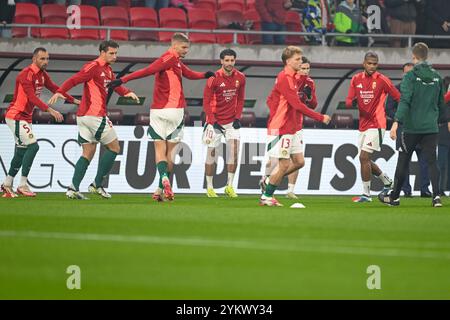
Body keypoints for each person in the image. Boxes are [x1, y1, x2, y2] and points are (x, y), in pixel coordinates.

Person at [109, 33, 214, 202]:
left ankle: (159, 188)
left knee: (159, 150)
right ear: (174, 46)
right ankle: (164, 182)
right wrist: (122, 80)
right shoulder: (169, 59)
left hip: (158, 112)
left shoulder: (176, 61)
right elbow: (147, 70)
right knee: (170, 153)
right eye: (184, 47)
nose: (186, 50)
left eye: (187, 48)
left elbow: (189, 73)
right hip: (175, 111)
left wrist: (204, 75)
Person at [48, 40, 139, 200]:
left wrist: (126, 92)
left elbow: (114, 85)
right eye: (111, 53)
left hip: (84, 117)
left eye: (116, 53)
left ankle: (73, 188)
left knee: (88, 152)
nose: (114, 56)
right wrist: (60, 91)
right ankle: (96, 185)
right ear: (102, 52)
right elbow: (75, 79)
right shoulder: (92, 66)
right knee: (114, 148)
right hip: (94, 115)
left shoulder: (108, 70)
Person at [379, 42, 449, 207]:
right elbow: (441, 104)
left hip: (411, 127)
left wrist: (396, 122)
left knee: (403, 160)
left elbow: (404, 101)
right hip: (431, 128)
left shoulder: (410, 77)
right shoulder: (437, 77)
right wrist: (434, 118)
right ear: (427, 55)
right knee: (432, 161)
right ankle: (436, 197)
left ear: (414, 56)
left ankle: (394, 197)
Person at [260, 46, 330, 207]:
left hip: (293, 127)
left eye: (301, 59)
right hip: (282, 127)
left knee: (299, 161)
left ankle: (269, 181)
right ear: (288, 61)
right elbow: (296, 105)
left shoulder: (296, 79)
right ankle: (267, 196)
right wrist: (320, 117)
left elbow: (276, 99)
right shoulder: (285, 77)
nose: (300, 62)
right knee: (284, 164)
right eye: (297, 59)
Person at [1, 47, 75, 198]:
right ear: (34, 59)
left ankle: (7, 185)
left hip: (25, 117)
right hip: (16, 115)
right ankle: (22, 184)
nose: (46, 61)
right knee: (33, 146)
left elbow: (55, 88)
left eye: (47, 58)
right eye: (42, 58)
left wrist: (73, 99)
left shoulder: (42, 74)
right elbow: (31, 97)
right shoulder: (25, 74)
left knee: (22, 150)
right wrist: (51, 110)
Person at [346, 52, 400, 203]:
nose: (372, 66)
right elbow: (349, 100)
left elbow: (398, 97)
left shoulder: (383, 80)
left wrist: (397, 118)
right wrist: (353, 102)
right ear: (364, 63)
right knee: (366, 159)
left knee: (364, 157)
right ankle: (387, 181)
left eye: (374, 64)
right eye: (369, 63)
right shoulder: (356, 79)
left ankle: (366, 195)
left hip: (377, 124)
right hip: (363, 125)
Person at [202, 49, 246, 198]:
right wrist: (212, 121)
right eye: (226, 60)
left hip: (231, 122)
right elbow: (206, 102)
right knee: (211, 154)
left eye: (232, 60)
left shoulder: (241, 77)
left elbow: (240, 99)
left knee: (234, 152)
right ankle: (209, 187)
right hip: (214, 122)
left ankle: (229, 186)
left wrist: (238, 118)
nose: (229, 63)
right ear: (221, 61)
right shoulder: (213, 78)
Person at [385, 62, 431, 197]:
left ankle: (425, 190)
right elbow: (389, 108)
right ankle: (406, 190)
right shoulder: (396, 89)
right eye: (407, 72)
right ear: (403, 74)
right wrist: (401, 118)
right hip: (404, 130)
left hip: (422, 130)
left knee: (425, 161)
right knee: (404, 162)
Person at [285, 56, 317, 199]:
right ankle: (267, 179)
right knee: (277, 158)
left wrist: (309, 97)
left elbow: (313, 105)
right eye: (303, 68)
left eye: (307, 68)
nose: (305, 71)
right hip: (283, 124)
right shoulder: (288, 80)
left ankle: (290, 190)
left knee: (297, 161)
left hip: (297, 125)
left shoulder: (310, 83)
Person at [437, 78, 450, 196]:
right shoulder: (441, 101)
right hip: (443, 135)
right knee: (442, 164)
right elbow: (439, 115)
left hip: (443, 135)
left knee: (443, 164)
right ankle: (440, 189)